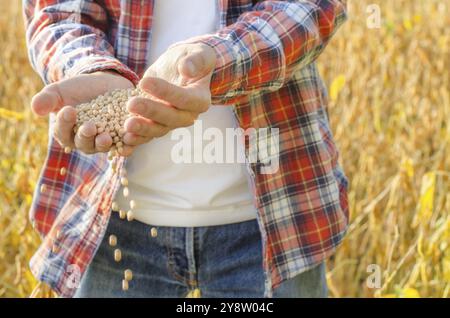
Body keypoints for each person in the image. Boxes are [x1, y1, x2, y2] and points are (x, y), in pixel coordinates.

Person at [24, 0, 349, 298]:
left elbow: (310, 7)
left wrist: (217, 58)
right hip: (115, 223)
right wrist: (91, 68)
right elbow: (58, 13)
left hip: (271, 225)